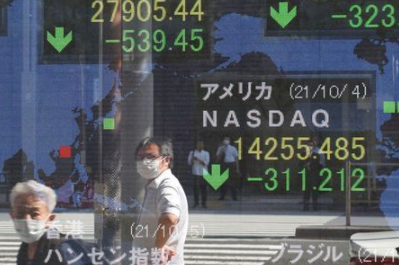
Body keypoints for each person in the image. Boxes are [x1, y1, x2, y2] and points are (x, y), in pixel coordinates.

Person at [9, 180, 96, 265]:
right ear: (13, 216)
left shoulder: (63, 248)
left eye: (34, 213)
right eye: (20, 213)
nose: (27, 219)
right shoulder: (24, 248)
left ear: (50, 219)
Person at [134, 137, 188, 265]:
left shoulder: (167, 185)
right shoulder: (155, 185)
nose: (144, 161)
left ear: (166, 160)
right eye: (140, 157)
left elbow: (170, 218)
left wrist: (158, 248)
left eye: (150, 157)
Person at [187, 139, 210, 209]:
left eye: (201, 144)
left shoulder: (206, 153)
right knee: (196, 189)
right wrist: (192, 159)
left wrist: (198, 159)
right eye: (198, 144)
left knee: (204, 189)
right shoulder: (192, 153)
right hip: (196, 172)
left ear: (203, 145)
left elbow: (206, 163)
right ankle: (196, 202)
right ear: (196, 145)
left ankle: (204, 203)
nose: (200, 145)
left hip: (204, 173)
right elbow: (189, 163)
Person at [216, 136, 240, 201]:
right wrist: (221, 152)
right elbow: (218, 159)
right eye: (225, 139)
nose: (226, 141)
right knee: (223, 181)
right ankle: (222, 196)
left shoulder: (233, 148)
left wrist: (237, 169)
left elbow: (236, 159)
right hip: (224, 164)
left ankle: (234, 196)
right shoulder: (220, 148)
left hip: (231, 164)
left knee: (233, 182)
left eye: (227, 140)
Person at [302, 141, 323, 211]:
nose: (310, 147)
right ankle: (305, 207)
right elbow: (300, 164)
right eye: (308, 146)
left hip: (314, 177)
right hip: (306, 177)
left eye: (311, 146)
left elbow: (318, 165)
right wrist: (306, 164)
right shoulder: (302, 155)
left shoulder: (316, 155)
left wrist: (309, 164)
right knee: (306, 193)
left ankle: (315, 207)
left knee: (314, 193)